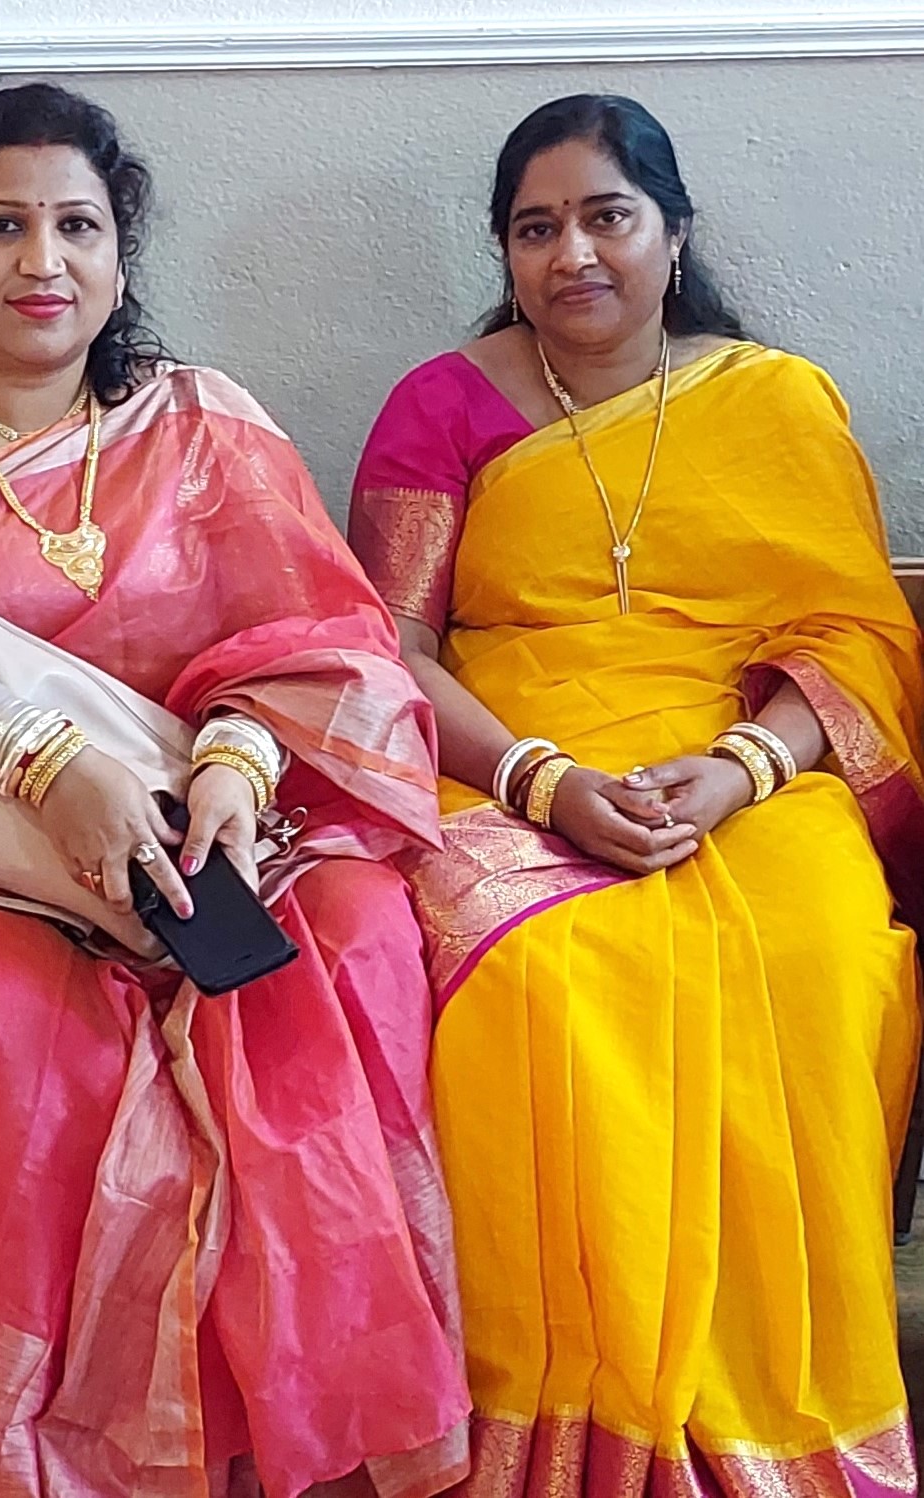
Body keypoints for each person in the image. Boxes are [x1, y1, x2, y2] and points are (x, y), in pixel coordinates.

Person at [0, 82, 470, 1498]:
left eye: (77, 225)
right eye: (0, 226)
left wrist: (238, 756)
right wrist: (44, 763)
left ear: (120, 256)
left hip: (209, 811)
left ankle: (283, 1448)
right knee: (3, 1032)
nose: (42, 260)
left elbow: (327, 639)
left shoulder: (202, 420)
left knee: (356, 941)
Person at [348, 92, 923, 1493]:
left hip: (749, 764)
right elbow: (388, 650)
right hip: (502, 763)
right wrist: (540, 777)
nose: (574, 255)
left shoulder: (776, 400)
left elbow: (857, 638)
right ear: (504, 248)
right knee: (542, 976)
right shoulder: (445, 405)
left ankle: (762, 1427)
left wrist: (740, 768)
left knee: (817, 959)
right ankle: (549, 1432)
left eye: (608, 216)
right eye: (536, 228)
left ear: (674, 232)